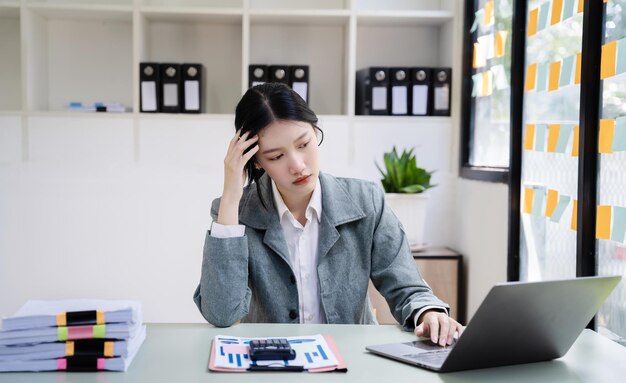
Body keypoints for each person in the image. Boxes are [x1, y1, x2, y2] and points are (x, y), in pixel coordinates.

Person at [193, 82, 464, 346]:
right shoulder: (236, 213)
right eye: (276, 156)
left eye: (303, 144)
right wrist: (230, 197)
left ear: (315, 130)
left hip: (353, 366)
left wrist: (429, 313)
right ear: (256, 161)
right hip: (272, 366)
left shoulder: (367, 202)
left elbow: (407, 286)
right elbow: (221, 313)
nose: (298, 166)